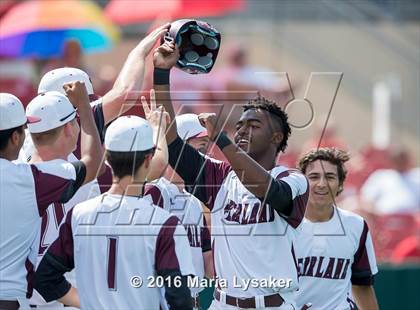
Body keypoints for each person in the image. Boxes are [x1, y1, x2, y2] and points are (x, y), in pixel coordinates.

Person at [153, 42, 309, 309]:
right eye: (239, 125)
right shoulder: (220, 176)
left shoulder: (294, 179)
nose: (242, 130)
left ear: (276, 137)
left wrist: (223, 140)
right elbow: (171, 139)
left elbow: (266, 189)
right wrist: (161, 74)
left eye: (253, 125)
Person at [33, 114, 195, 309]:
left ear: (107, 158)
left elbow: (45, 279)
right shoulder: (165, 224)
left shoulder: (79, 215)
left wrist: (87, 303)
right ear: (148, 159)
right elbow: (180, 298)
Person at [0, 84, 103, 310]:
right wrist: (84, 107)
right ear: (16, 137)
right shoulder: (28, 178)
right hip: (10, 299)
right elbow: (92, 163)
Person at [141, 93, 213, 308]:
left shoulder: (193, 201)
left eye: (206, 149)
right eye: (199, 149)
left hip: (194, 301)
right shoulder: (155, 191)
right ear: (176, 146)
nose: (204, 157)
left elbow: (208, 263)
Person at [295, 148, 379, 310]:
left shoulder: (356, 225)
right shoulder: (283, 226)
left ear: (340, 184)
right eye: (313, 177)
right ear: (301, 182)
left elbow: (362, 285)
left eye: (330, 177)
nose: (321, 184)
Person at [360, 147, 419, 215]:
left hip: (413, 220)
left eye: (403, 159)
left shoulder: (417, 175)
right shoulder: (381, 176)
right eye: (398, 159)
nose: (401, 162)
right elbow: (367, 199)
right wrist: (374, 213)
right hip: (384, 219)